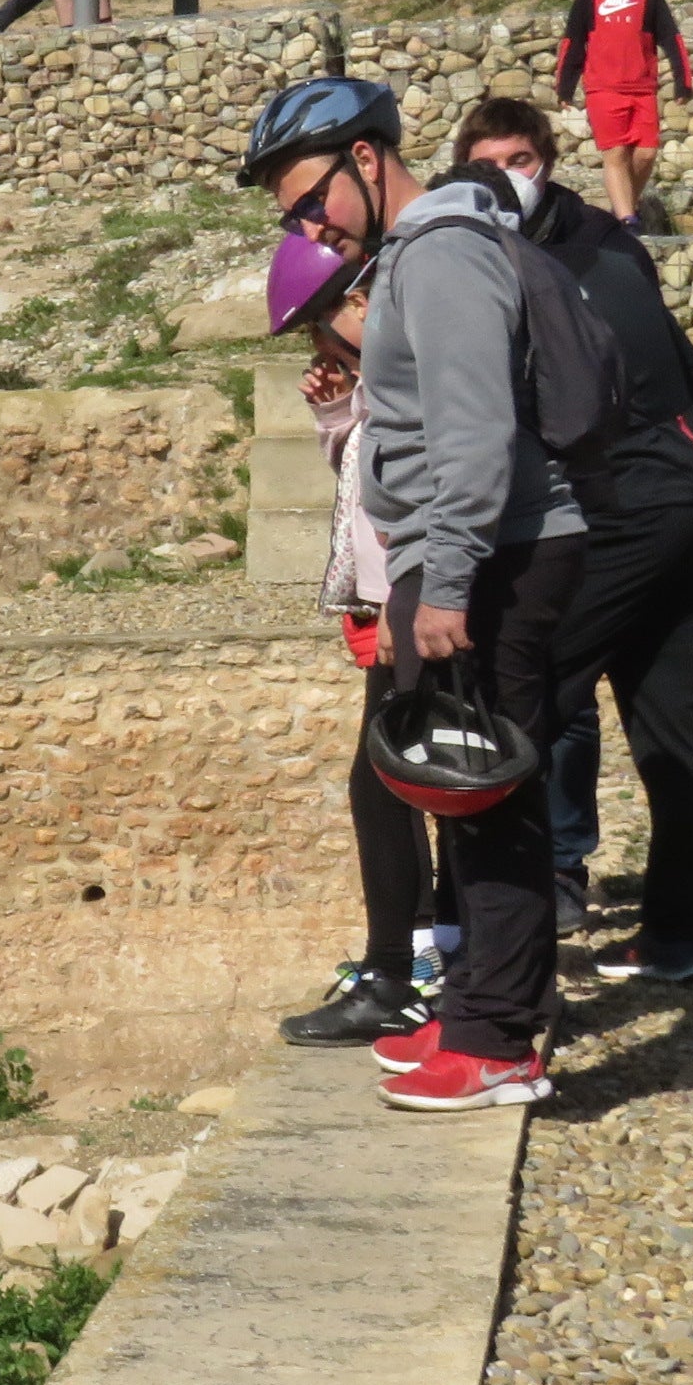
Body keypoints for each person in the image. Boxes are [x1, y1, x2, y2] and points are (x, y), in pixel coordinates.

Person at [240, 74, 583, 1110]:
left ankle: (498, 1043)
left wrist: (449, 580)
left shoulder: (438, 255)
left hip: (489, 551)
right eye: (294, 215)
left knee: (495, 793)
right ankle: (476, 1008)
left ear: (368, 159)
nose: (310, 226)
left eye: (313, 202)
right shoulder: (420, 252)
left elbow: (474, 430)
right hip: (464, 548)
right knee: (466, 793)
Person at [450, 97, 693, 984]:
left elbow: (575, 403)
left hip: (630, 507)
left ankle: (504, 934)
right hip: (687, 498)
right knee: (671, 726)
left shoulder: (573, 260)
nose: (507, 177)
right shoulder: (608, 240)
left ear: (549, 160)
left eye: (521, 159)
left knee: (519, 705)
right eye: (489, 162)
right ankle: (672, 936)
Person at [272, 244, 462, 1047]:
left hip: (413, 601)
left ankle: (408, 963)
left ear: (359, 305)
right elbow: (363, 478)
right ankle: (432, 945)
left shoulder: (411, 371)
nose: (322, 348)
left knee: (392, 782)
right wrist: (337, 416)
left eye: (324, 326)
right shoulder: (384, 377)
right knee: (406, 775)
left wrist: (396, 599)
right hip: (404, 597)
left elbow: (411, 494)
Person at [554, 0, 693, 229]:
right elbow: (573, 39)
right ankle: (628, 220)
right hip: (603, 88)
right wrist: (565, 84)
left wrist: (682, 80)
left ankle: (623, 209)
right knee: (616, 154)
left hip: (642, 87)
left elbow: (670, 36)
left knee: (645, 154)